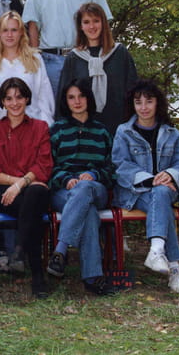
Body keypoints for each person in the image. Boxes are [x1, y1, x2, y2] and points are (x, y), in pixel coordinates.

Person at [112, 79, 179, 293]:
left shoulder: (171, 133)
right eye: (138, 102)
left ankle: (156, 250)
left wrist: (170, 174)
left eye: (149, 101)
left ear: (158, 103)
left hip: (166, 191)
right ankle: (174, 268)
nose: (144, 107)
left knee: (162, 193)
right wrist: (150, 179)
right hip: (135, 193)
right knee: (161, 200)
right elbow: (120, 165)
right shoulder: (124, 132)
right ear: (133, 105)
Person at [46, 78, 117, 296]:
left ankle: (60, 251)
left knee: (85, 189)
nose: (77, 101)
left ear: (89, 98)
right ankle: (92, 277)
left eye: (81, 96)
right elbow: (48, 167)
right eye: (71, 97)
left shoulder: (102, 131)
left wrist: (94, 175)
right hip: (64, 192)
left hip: (96, 189)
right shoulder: (56, 130)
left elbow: (112, 168)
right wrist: (66, 179)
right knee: (89, 212)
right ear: (65, 101)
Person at [0, 77, 53, 298]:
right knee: (32, 206)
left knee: (34, 195)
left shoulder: (40, 127)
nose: (14, 103)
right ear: (2, 102)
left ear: (27, 99)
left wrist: (21, 184)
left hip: (30, 190)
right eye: (9, 98)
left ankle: (21, 249)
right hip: (1, 191)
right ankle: (36, 273)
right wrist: (17, 183)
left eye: (19, 97)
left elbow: (44, 165)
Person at [57, 2, 137, 135]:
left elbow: (133, 91)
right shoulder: (74, 58)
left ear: (103, 23)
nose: (92, 26)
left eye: (96, 21)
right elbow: (63, 98)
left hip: (119, 127)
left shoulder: (119, 53)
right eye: (86, 22)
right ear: (81, 26)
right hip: (84, 131)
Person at [0, 11, 54, 125]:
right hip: (0, 125)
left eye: (14, 30)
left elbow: (45, 97)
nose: (9, 35)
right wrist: (8, 110)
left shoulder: (35, 59)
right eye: (5, 30)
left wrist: (44, 125)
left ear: (21, 32)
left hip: (32, 123)